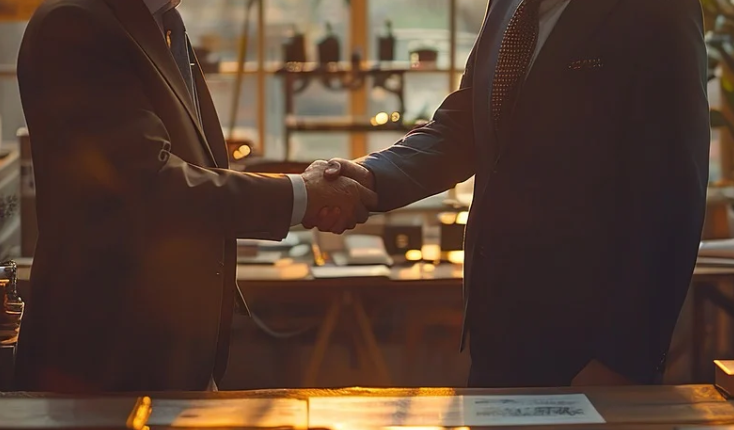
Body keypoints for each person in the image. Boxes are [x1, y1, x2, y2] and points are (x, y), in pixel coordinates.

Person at [317, 0, 710, 387]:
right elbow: (466, 125)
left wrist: (623, 364)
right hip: (496, 334)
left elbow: (673, 198)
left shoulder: (660, 10)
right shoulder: (508, 5)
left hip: (592, 354)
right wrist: (369, 176)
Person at [13, 0, 375, 392]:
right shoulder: (75, 22)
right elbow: (151, 187)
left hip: (174, 358)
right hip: (104, 366)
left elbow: (192, 165)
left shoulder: (164, 20)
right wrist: (302, 194)